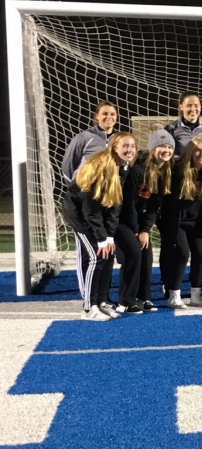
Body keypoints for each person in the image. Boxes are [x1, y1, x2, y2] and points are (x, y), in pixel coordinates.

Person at [63, 132, 135, 320]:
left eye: (132, 146)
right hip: (80, 216)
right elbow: (90, 208)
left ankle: (101, 302)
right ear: (114, 148)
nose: (130, 150)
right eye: (125, 146)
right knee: (96, 257)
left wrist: (109, 236)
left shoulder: (123, 167)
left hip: (96, 215)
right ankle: (88, 308)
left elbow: (115, 204)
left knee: (108, 255)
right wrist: (101, 238)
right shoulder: (99, 166)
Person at [115, 129, 174, 313]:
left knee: (146, 254)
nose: (166, 150)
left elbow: (154, 207)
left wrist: (146, 230)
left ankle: (144, 297)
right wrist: (135, 230)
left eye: (169, 147)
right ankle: (125, 301)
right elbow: (128, 204)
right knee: (133, 252)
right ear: (153, 148)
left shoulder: (164, 171)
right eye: (162, 146)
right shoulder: (138, 170)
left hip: (138, 223)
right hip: (121, 220)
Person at [159, 135, 202, 307]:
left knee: (201, 255)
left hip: (198, 223)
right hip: (178, 222)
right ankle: (174, 294)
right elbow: (166, 199)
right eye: (198, 150)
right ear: (191, 152)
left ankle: (196, 295)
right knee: (182, 253)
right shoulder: (178, 171)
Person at [60, 102, 118, 186]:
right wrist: (73, 189)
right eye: (105, 114)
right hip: (86, 190)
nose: (109, 117)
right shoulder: (83, 137)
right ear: (96, 116)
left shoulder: (119, 140)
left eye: (112, 114)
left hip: (110, 190)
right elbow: (68, 165)